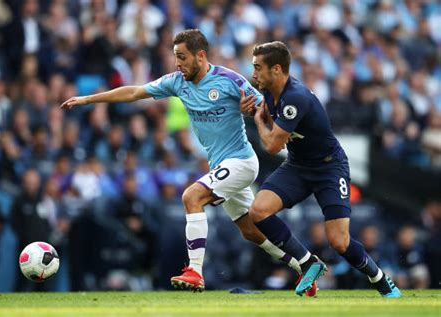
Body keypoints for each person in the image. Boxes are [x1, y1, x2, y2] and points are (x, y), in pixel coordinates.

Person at [61, 29, 318, 293]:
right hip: (221, 165)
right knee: (250, 231)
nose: (178, 63)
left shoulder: (229, 80)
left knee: (191, 197)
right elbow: (135, 92)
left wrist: (253, 111)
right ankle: (305, 265)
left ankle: (195, 271)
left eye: (182, 57)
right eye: (176, 57)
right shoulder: (176, 82)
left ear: (201, 56)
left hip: (241, 161)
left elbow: (268, 107)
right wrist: (89, 99)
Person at [240, 41, 401, 297]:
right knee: (258, 211)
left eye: (259, 68)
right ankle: (307, 262)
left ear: (277, 69)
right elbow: (275, 121)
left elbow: (271, 144)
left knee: (339, 242)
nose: (254, 74)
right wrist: (256, 113)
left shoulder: (295, 97)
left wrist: (258, 120)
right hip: (298, 166)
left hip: (329, 169)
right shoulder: (270, 92)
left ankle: (380, 278)